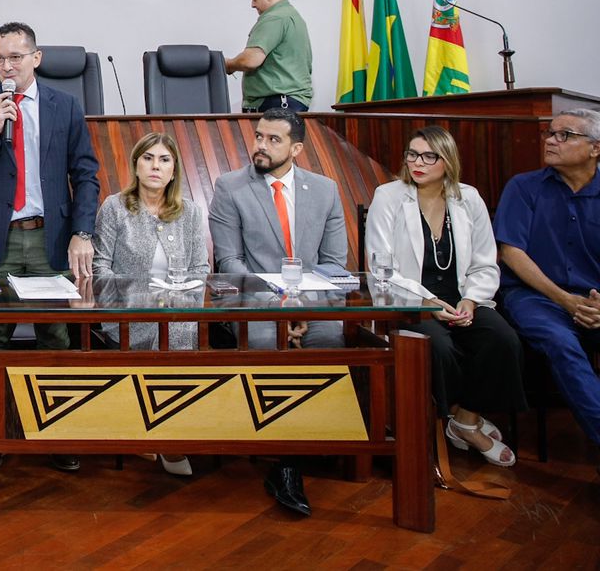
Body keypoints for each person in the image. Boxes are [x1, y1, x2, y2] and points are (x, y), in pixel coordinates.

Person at [0, 20, 100, 473]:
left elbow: (86, 174)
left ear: (36, 58)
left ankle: (58, 435)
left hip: (51, 237)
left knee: (55, 336)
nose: (7, 66)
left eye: (16, 57)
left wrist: (83, 231)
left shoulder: (65, 106)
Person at [208, 108, 349, 517]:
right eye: (258, 137)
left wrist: (303, 307)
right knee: (270, 344)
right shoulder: (231, 187)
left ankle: (309, 447)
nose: (261, 146)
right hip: (256, 306)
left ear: (297, 148)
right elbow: (230, 264)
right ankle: (287, 463)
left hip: (312, 306)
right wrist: (280, 305)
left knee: (330, 341)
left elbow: (334, 263)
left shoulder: (324, 190)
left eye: (273, 140)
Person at [365, 126, 522, 466]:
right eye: (412, 154)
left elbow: (485, 262)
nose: (416, 163)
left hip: (463, 300)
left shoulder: (469, 197)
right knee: (439, 346)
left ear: (447, 161)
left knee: (502, 339)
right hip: (410, 303)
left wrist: (472, 300)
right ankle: (455, 419)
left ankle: (465, 420)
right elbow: (381, 271)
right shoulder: (389, 196)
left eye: (428, 156)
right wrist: (427, 302)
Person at [91, 131, 208, 478]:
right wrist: (134, 298)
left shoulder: (188, 213)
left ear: (174, 171)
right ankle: (170, 437)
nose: (155, 166)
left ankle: (164, 430)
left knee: (176, 328)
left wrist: (181, 295)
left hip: (178, 313)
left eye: (164, 160)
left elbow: (201, 269)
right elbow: (100, 267)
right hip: (128, 315)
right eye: (148, 158)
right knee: (171, 333)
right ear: (136, 165)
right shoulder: (115, 207)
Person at [494, 108, 600, 453]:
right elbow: (511, 253)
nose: (552, 141)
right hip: (534, 297)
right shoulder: (524, 187)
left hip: (594, 300)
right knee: (561, 343)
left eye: (565, 135)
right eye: (550, 134)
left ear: (595, 148)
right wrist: (565, 300)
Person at [224, 0, 313, 113]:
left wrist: (228, 64)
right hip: (289, 101)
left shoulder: (274, 17)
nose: (252, 5)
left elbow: (250, 60)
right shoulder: (292, 15)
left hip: (275, 104)